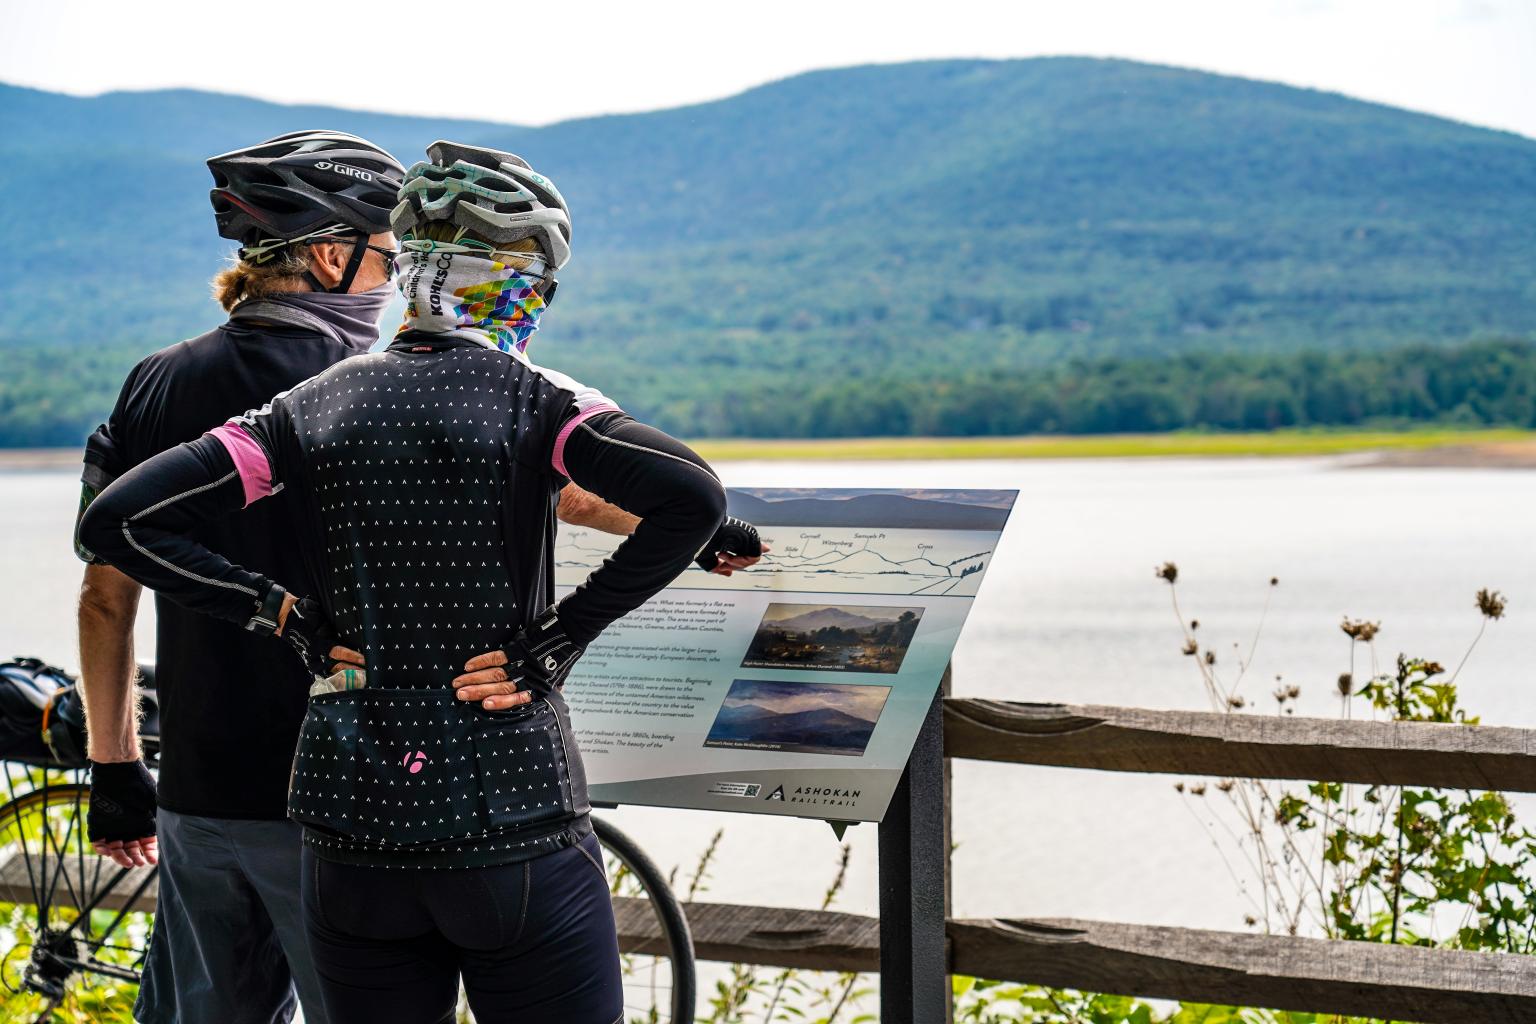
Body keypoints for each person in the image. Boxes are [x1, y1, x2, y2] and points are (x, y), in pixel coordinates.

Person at [80, 140, 762, 1024]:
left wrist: (280, 617)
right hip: (503, 806)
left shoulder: (270, 402)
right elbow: (681, 496)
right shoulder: (529, 397)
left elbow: (115, 540)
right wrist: (558, 639)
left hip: (322, 812)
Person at [72, 129, 405, 1024]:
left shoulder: (153, 381)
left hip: (198, 792)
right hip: (340, 799)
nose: (397, 277)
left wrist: (116, 767)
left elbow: (106, 594)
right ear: (334, 254)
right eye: (390, 255)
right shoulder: (370, 387)